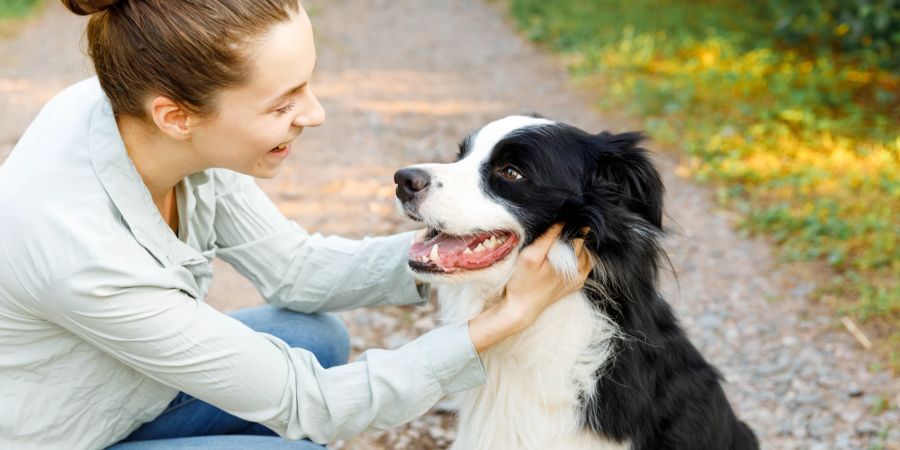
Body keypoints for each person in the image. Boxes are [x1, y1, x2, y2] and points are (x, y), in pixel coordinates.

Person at [0, 0, 591, 449]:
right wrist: (502, 320)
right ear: (176, 116)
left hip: (128, 384)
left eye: (308, 84)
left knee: (313, 337)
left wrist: (457, 253)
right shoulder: (75, 246)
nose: (315, 114)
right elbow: (312, 402)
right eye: (283, 104)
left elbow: (298, 273)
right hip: (63, 434)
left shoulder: (136, 108)